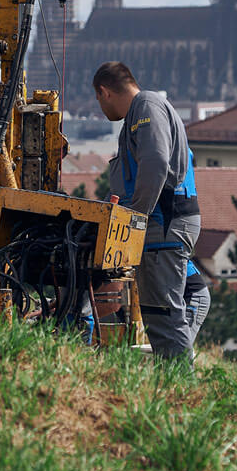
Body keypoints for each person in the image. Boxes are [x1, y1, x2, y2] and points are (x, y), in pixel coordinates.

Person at [93, 61, 207, 361]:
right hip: (162, 223)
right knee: (161, 314)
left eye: (98, 101)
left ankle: (180, 392)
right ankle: (174, 385)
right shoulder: (141, 112)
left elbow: (155, 163)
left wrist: (135, 220)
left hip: (162, 222)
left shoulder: (146, 106)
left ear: (104, 92)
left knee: (163, 314)